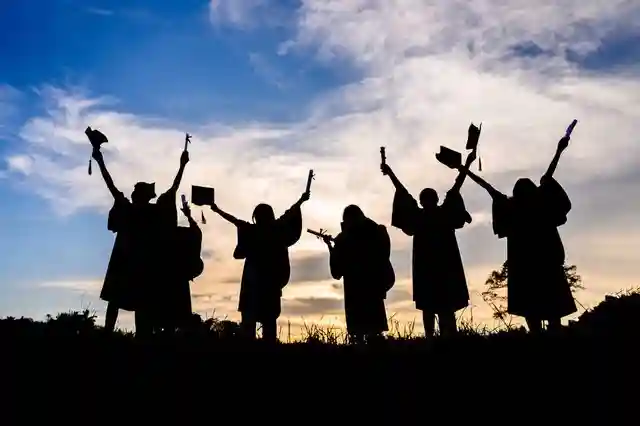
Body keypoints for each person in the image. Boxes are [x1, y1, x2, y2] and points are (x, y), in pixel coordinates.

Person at [458, 135, 576, 332]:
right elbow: (548, 175)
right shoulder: (540, 205)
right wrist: (559, 151)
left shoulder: (513, 207)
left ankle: (539, 337)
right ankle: (554, 338)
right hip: (545, 262)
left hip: (525, 266)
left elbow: (486, 186)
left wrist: (463, 169)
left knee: (532, 310)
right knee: (552, 309)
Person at [91, 137, 189, 336]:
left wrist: (100, 160)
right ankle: (137, 338)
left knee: (122, 300)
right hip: (140, 262)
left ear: (138, 195)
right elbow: (173, 188)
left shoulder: (132, 208)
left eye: (136, 191)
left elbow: (110, 184)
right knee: (136, 302)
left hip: (127, 259)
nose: (133, 192)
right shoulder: (153, 212)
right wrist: (182, 166)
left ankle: (112, 335)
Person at [381, 151, 476, 337]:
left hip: (438, 266)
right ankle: (435, 338)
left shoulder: (428, 216)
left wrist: (467, 164)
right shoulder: (433, 215)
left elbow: (456, 186)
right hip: (429, 266)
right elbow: (403, 192)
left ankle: (440, 337)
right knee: (433, 306)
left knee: (439, 306)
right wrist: (390, 173)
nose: (428, 202)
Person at [209, 191, 309, 342]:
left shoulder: (252, 231)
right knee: (269, 326)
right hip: (270, 285)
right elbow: (290, 213)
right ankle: (268, 351)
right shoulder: (277, 230)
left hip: (252, 285)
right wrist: (301, 200)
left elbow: (234, 220)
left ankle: (252, 350)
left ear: (256, 217)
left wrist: (217, 210)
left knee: (250, 326)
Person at [325, 205, 395, 343]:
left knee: (363, 329)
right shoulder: (373, 231)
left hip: (362, 285)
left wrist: (335, 247)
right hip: (366, 285)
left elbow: (338, 267)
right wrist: (332, 247)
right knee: (368, 329)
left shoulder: (353, 236)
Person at [155, 200, 204, 332]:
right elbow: (196, 233)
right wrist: (189, 216)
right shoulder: (177, 232)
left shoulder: (161, 233)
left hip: (167, 279)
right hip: (174, 280)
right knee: (174, 320)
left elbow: (196, 233)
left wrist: (189, 216)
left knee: (167, 320)